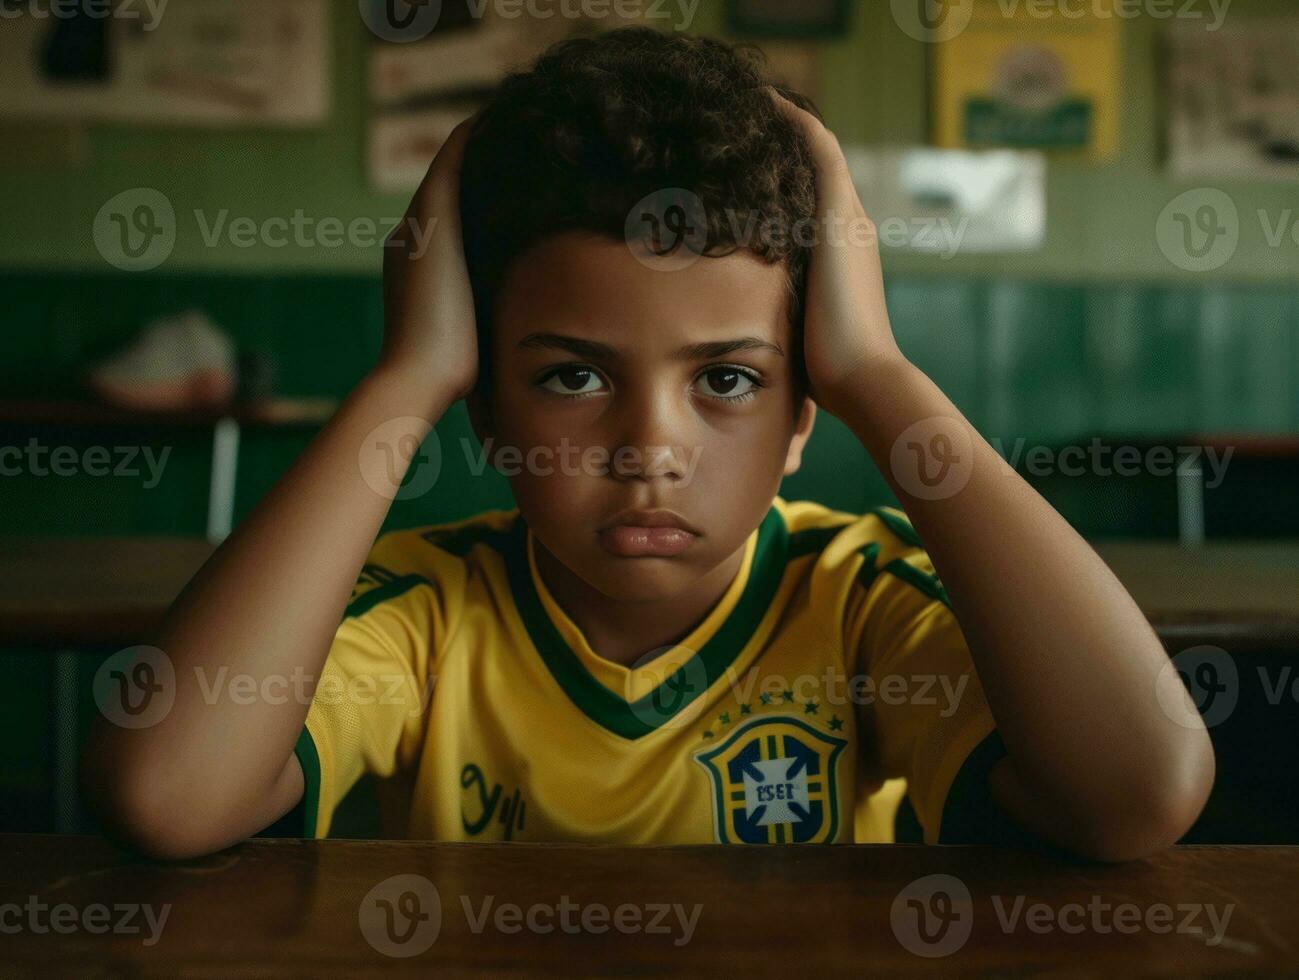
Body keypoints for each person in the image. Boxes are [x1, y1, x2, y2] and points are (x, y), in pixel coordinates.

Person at [82, 27, 1213, 860]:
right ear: (486, 409)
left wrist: (875, 366)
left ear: (802, 414)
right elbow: (167, 791)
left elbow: (1139, 789)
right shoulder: (425, 613)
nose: (648, 447)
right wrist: (408, 372)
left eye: (726, 379)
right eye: (572, 376)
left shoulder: (854, 599)